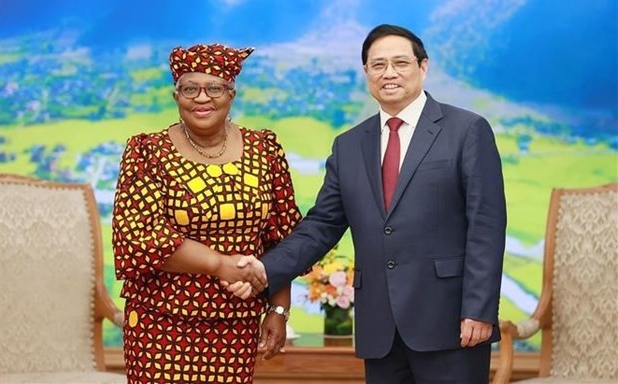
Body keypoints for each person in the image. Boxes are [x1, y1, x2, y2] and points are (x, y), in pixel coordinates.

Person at [229, 24, 507, 383]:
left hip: (452, 324)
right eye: (377, 65)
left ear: (423, 67)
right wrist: (265, 270)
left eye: (400, 63)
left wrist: (479, 310)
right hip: (380, 330)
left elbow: (486, 225)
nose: (388, 73)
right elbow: (321, 226)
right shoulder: (349, 146)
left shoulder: (467, 130)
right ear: (366, 73)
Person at [112, 43, 301, 384]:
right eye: (190, 88)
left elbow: (282, 237)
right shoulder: (147, 151)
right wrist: (219, 264)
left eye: (214, 87)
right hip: (161, 324)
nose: (202, 98)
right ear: (175, 95)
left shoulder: (265, 149)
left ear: (231, 93)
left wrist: (278, 309)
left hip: (236, 323)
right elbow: (139, 237)